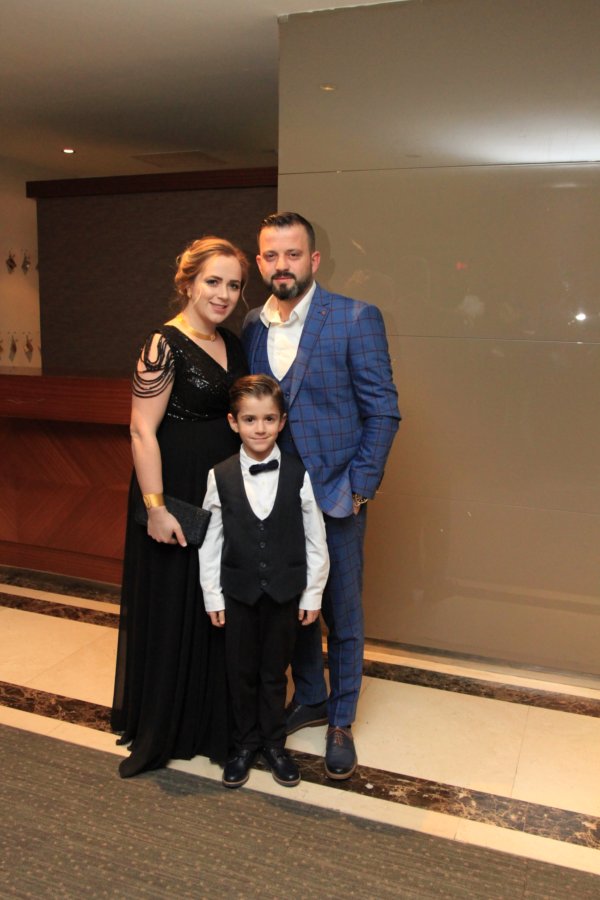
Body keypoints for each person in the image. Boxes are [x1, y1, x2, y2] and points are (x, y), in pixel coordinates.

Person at [243, 212, 400, 780]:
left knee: (343, 613)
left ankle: (341, 719)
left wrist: (358, 490)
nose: (281, 265)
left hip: (336, 497)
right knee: (292, 606)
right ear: (260, 262)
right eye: (271, 255)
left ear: (313, 260)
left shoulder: (355, 318)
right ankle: (310, 696)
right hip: (276, 501)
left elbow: (383, 411)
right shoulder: (253, 326)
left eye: (292, 254)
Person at [111, 236, 249, 778]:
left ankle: (210, 723)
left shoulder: (232, 342)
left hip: (221, 492)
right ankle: (163, 729)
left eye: (233, 285)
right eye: (212, 281)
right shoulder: (162, 344)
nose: (223, 294)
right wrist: (156, 508)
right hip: (173, 495)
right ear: (188, 282)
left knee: (214, 605)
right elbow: (141, 431)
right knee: (175, 606)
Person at [199, 374, 329, 789]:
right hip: (238, 594)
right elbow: (211, 541)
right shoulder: (219, 475)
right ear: (233, 422)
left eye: (269, 419)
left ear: (282, 421)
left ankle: (274, 744)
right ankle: (244, 744)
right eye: (250, 419)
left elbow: (316, 538)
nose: (260, 428)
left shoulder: (297, 473)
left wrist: (312, 593)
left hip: (284, 594)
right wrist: (213, 596)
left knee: (275, 672)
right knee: (241, 672)